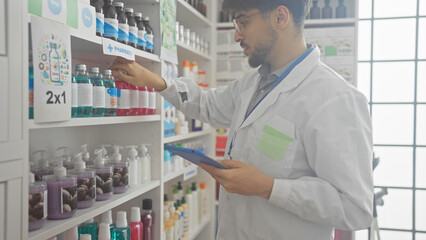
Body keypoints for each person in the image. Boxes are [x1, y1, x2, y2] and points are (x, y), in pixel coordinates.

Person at [110, 0, 374, 239]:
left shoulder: (336, 98)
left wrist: (269, 188)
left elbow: (355, 207)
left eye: (244, 22)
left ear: (280, 17)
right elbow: (208, 105)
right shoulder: (254, 82)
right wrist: (155, 80)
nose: (237, 35)